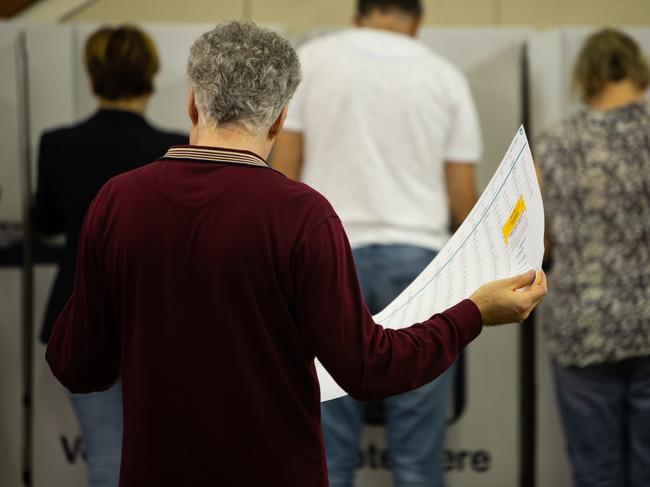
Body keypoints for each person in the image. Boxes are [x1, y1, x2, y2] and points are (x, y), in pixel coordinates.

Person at [45, 21, 545, 487]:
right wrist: (473, 313)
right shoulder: (300, 215)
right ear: (280, 117)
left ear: (193, 103)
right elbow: (369, 368)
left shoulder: (118, 201)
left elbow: (77, 365)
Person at [271, 1, 481, 485]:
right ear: (418, 20)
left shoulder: (313, 62)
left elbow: (284, 174)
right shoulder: (445, 77)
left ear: (359, 13)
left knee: (328, 446)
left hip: (329, 255)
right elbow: (460, 200)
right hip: (421, 264)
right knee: (417, 449)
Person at [32, 25, 186, 487]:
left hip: (80, 306)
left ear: (93, 77)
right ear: (151, 76)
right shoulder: (176, 146)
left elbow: (47, 224)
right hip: (161, 315)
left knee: (104, 455)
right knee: (163, 456)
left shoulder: (57, 144)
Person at [536, 28, 650, 487]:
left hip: (580, 323)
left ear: (584, 77)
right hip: (647, 319)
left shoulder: (553, 143)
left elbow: (536, 243)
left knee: (594, 468)